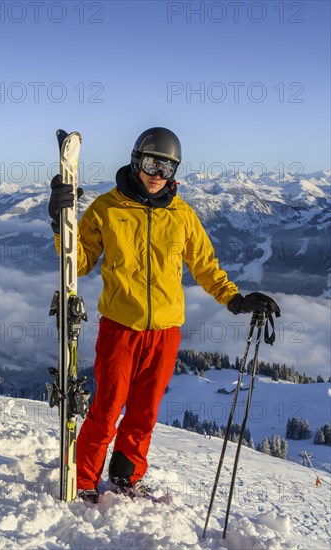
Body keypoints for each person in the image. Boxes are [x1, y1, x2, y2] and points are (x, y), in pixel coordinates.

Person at [48, 127, 280, 503]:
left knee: (144, 412)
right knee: (106, 410)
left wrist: (234, 299)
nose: (158, 175)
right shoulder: (107, 208)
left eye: (168, 168)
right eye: (153, 164)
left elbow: (205, 265)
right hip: (120, 329)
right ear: (137, 160)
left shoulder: (182, 214)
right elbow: (78, 262)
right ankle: (84, 478)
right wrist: (62, 223)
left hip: (166, 333)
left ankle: (125, 477)